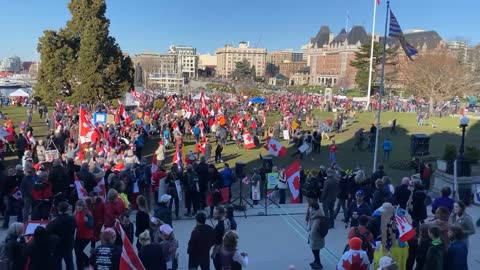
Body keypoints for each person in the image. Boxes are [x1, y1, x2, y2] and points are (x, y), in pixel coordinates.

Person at [46, 201, 76, 270]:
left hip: (57, 246)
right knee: (69, 263)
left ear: (58, 210)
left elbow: (47, 231)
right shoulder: (72, 219)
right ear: (68, 209)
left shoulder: (55, 222)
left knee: (57, 264)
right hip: (69, 245)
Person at [74, 200, 94, 270]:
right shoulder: (76, 213)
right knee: (77, 253)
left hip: (86, 237)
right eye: (77, 206)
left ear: (83, 206)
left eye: (80, 206)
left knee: (80, 253)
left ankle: (88, 261)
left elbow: (91, 226)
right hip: (78, 236)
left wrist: (87, 222)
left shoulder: (88, 214)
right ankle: (80, 267)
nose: (78, 207)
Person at [307, 198, 326, 269]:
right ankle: (316, 261)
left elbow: (314, 230)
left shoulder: (317, 217)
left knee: (315, 250)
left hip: (316, 238)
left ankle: (318, 263)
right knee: (316, 251)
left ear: (313, 208)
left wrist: (310, 236)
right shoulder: (318, 212)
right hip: (318, 237)